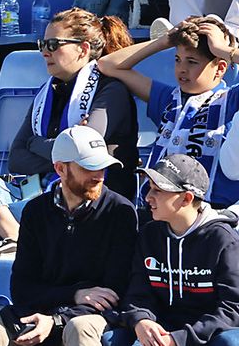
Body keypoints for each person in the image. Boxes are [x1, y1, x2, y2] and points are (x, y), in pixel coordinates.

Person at [0, 9, 137, 256]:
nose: (45, 51)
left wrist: (36, 143)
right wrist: (57, 147)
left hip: (81, 200)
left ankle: (15, 239)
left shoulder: (110, 92)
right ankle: (14, 235)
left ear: (83, 48)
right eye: (42, 44)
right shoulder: (46, 94)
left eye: (54, 44)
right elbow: (17, 158)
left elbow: (80, 152)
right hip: (36, 192)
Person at [0, 124, 139, 346]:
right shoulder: (35, 211)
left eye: (102, 166)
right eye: (88, 167)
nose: (99, 175)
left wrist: (58, 318)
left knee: (80, 328)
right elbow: (22, 289)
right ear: (60, 168)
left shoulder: (120, 212)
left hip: (83, 320)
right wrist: (74, 294)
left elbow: (113, 294)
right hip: (36, 318)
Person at [71, 155, 239, 346]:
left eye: (158, 190)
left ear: (186, 198)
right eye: (149, 188)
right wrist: (141, 320)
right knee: (112, 345)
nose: (148, 197)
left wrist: (181, 340)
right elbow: (137, 293)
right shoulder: (149, 234)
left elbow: (232, 308)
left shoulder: (223, 240)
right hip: (162, 328)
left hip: (210, 332)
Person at [98, 18, 239, 208]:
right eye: (177, 59)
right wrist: (165, 41)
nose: (182, 69)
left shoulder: (230, 99)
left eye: (191, 62)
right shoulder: (168, 98)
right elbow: (108, 65)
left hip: (208, 214)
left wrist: (225, 51)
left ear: (221, 68)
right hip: (158, 210)